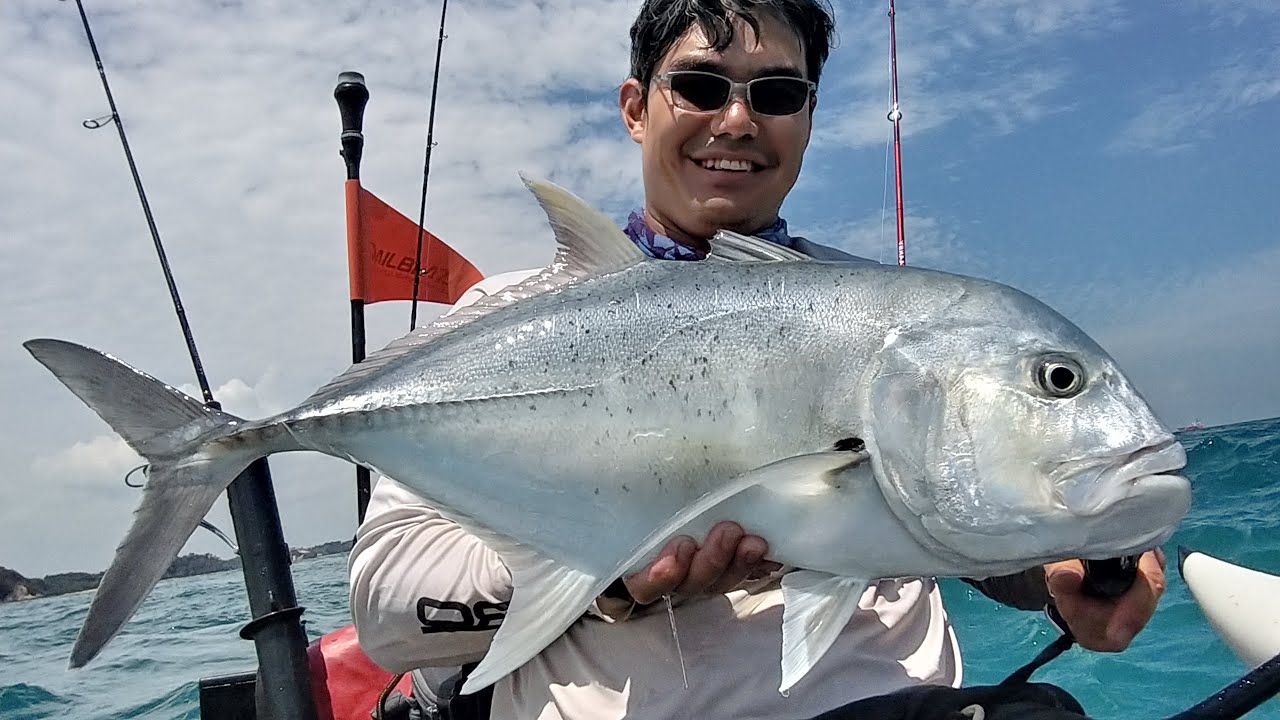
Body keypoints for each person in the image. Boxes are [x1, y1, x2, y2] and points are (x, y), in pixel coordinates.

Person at [348, 0, 1169, 717]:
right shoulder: (509, 322)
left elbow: (925, 508)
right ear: (636, 107)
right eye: (701, 86)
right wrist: (611, 579)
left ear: (808, 118)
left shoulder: (878, 316)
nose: (737, 121)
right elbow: (386, 612)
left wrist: (1057, 567)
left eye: (777, 95)